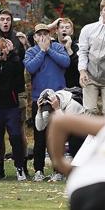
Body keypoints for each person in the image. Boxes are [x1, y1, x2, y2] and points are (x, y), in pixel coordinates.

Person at [24, 23, 70, 181]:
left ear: (50, 35)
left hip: (58, 98)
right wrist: (42, 51)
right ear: (35, 37)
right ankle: (38, 170)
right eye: (39, 34)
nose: (43, 36)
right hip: (39, 99)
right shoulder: (31, 51)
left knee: (57, 136)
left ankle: (58, 170)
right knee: (40, 136)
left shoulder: (57, 47)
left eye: (45, 33)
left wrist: (48, 49)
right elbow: (30, 68)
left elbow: (66, 62)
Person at [0, 37, 28, 181]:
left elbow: (19, 75)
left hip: (11, 107)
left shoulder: (13, 62)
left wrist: (12, 54)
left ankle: (20, 167)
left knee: (16, 137)